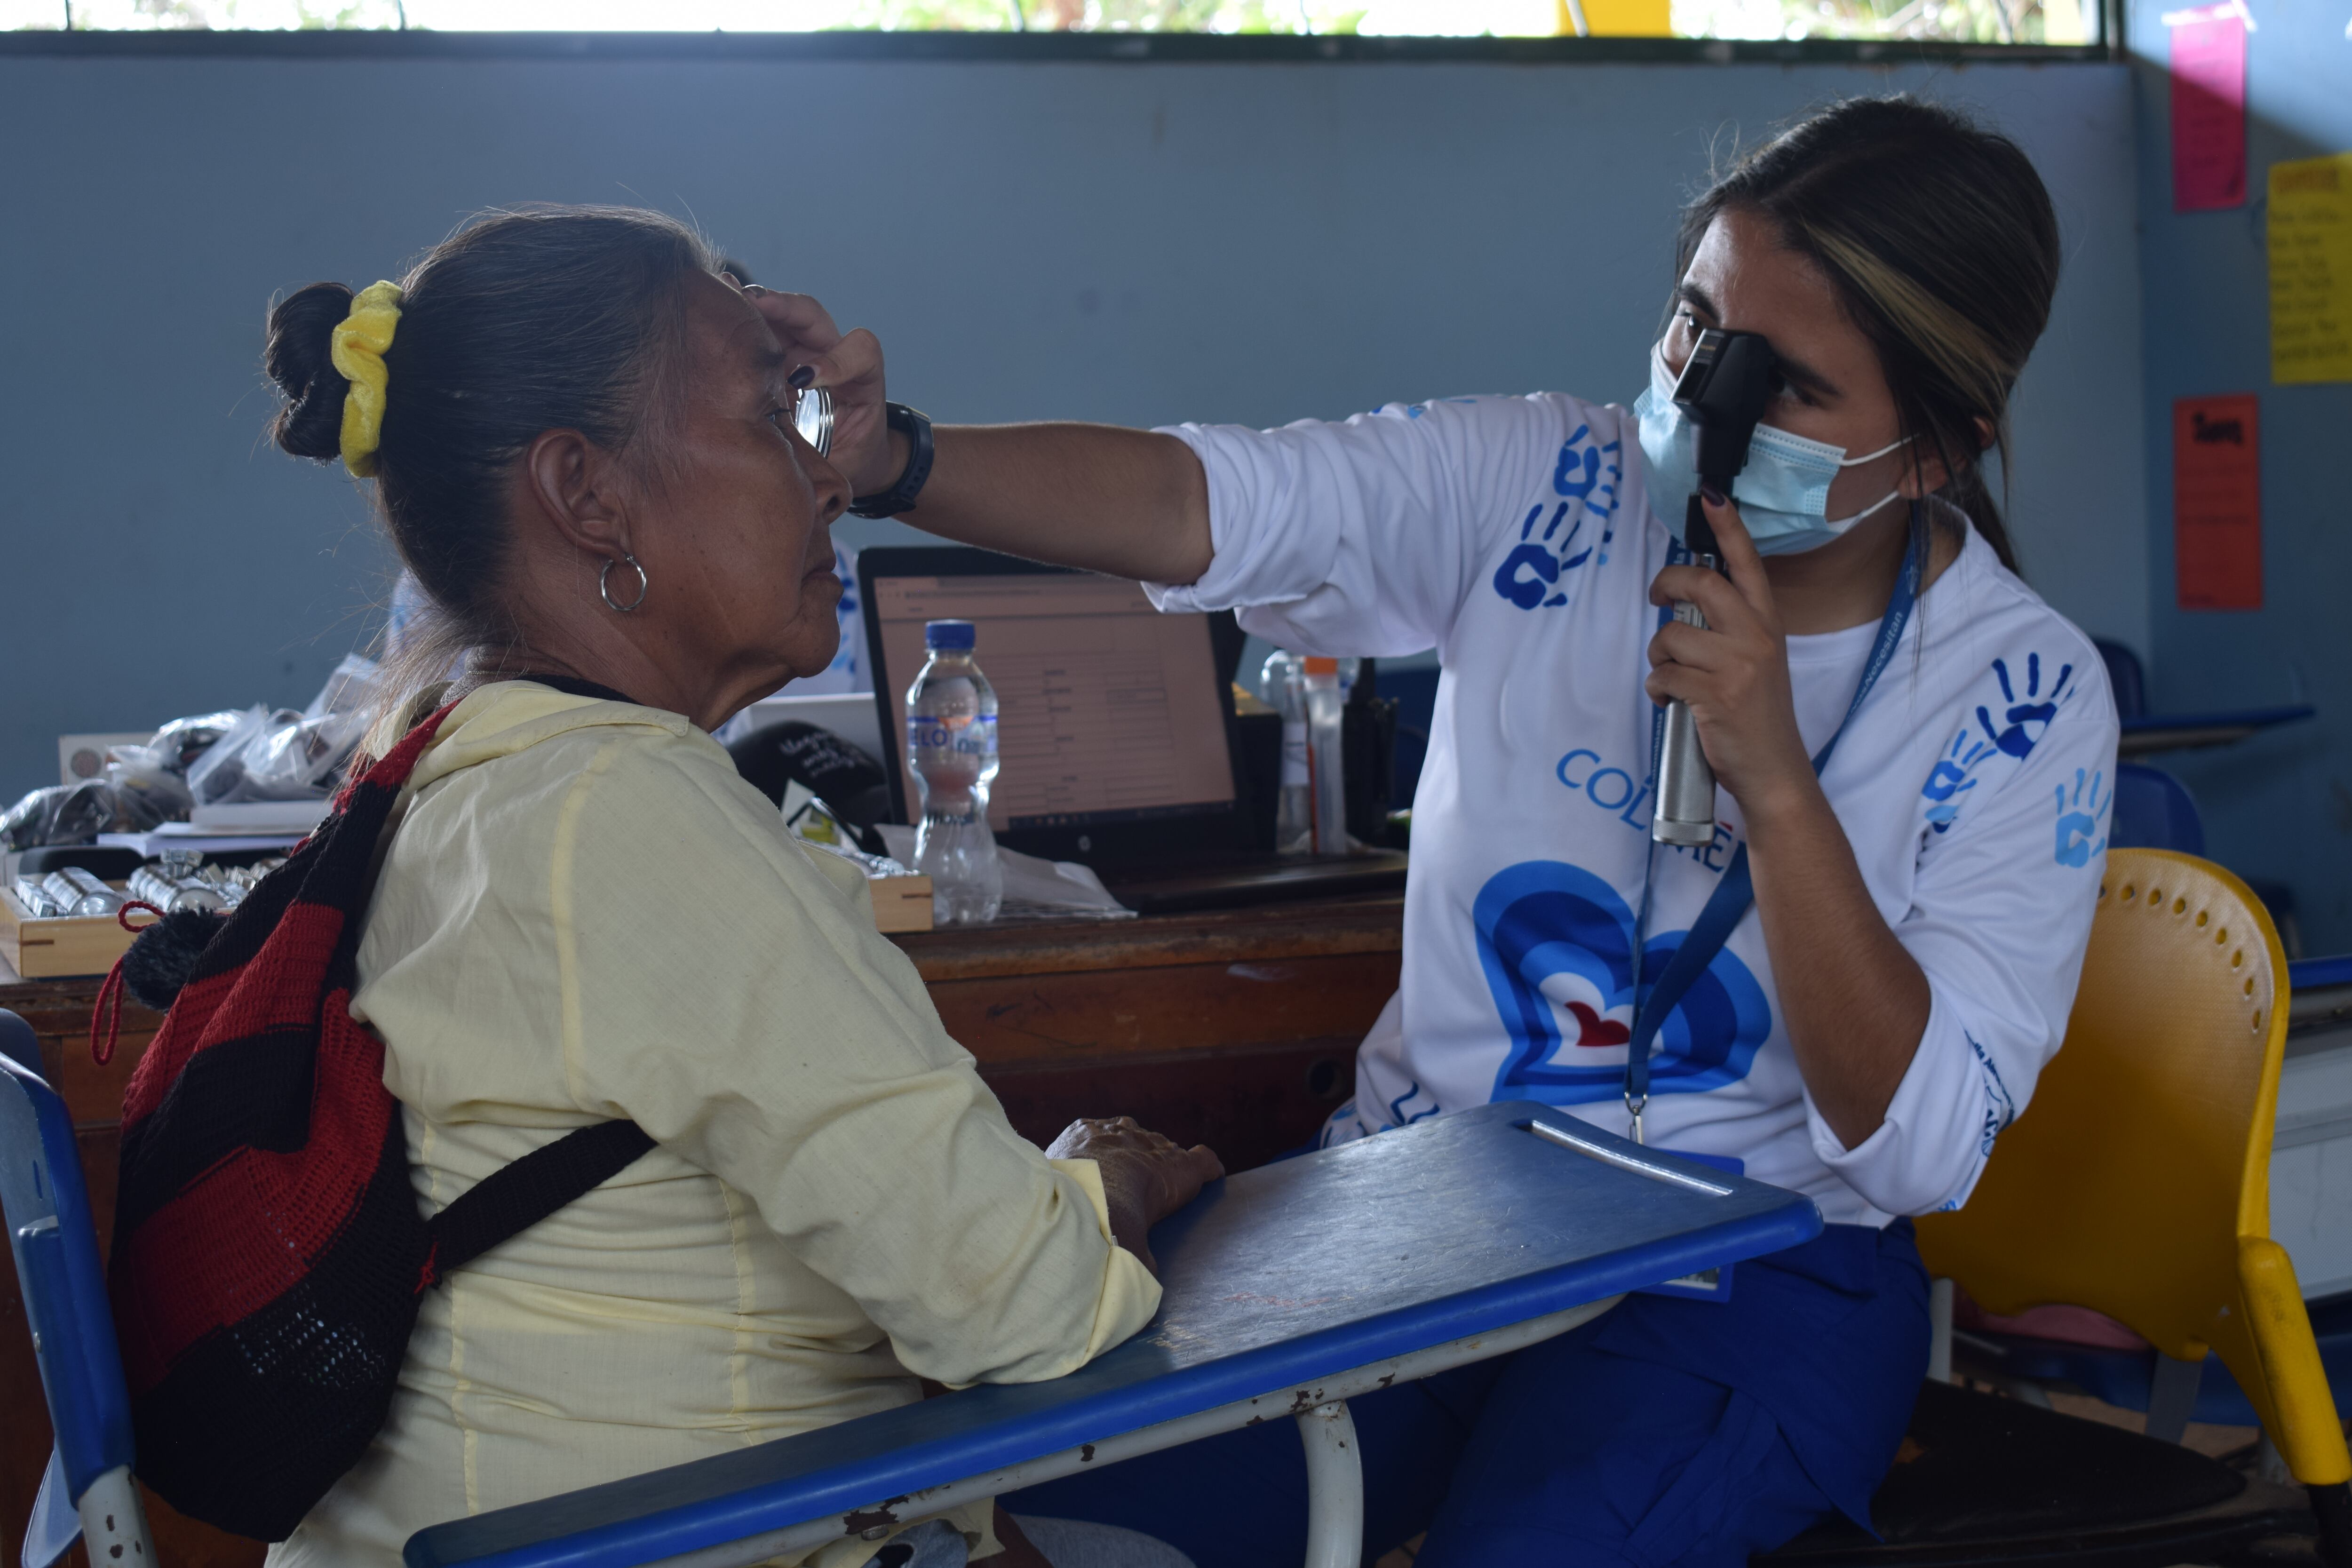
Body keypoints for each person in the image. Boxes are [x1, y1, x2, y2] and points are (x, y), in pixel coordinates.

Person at [752, 96, 2122, 1566]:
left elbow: (1914, 1149)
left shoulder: (2021, 696)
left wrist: (1777, 783)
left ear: (1933, 453)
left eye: (1783, 388)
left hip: (1754, 1274)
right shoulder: (1548, 484)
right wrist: (898, 462)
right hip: (1429, 1210)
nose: (1703, 399)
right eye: (1692, 326)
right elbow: (1201, 498)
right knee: (1022, 1511)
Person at [257, 206, 1221, 1568]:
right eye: (774, 421)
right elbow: (1024, 1304)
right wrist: (1113, 1181)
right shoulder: (622, 814)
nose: (827, 480)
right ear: (587, 494)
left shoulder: (447, 769)